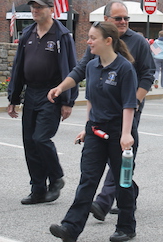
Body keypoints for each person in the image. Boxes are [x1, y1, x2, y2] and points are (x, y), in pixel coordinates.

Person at [48, 0, 154, 222]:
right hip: (101, 111)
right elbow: (81, 71)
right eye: (118, 18)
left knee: (119, 157)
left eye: (126, 18)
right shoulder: (96, 44)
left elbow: (147, 74)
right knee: (106, 163)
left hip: (127, 110)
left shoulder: (138, 43)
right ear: (107, 20)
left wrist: (132, 101)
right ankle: (124, 195)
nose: (123, 22)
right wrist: (61, 87)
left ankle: (106, 203)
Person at [49, 21, 138, 242]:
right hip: (96, 131)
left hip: (119, 132)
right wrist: (87, 128)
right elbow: (91, 101)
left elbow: (129, 105)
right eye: (88, 37)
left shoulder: (124, 68)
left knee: (122, 181)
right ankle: (70, 228)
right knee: (88, 180)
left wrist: (127, 135)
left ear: (108, 41)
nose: (88, 41)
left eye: (92, 38)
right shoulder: (91, 66)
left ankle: (126, 227)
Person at [7, 0, 78, 205]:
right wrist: (14, 98)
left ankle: (56, 178)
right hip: (31, 93)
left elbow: (71, 69)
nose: (35, 10)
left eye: (39, 7)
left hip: (52, 93)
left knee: (41, 138)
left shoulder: (62, 35)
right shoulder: (27, 33)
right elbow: (18, 67)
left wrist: (67, 100)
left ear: (51, 10)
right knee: (29, 142)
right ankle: (37, 189)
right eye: (33, 7)